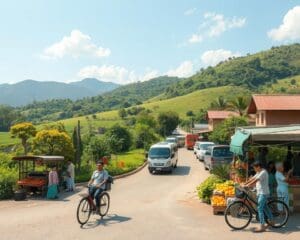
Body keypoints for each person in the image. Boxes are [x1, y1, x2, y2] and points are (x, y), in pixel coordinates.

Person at [243, 161, 273, 232]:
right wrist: (245, 183)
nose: (254, 169)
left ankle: (262, 226)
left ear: (258, 167)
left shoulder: (263, 172)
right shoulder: (258, 172)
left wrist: (247, 185)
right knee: (265, 207)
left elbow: (256, 180)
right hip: (260, 192)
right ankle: (271, 221)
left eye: (255, 168)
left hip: (264, 193)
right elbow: (252, 178)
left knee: (260, 208)